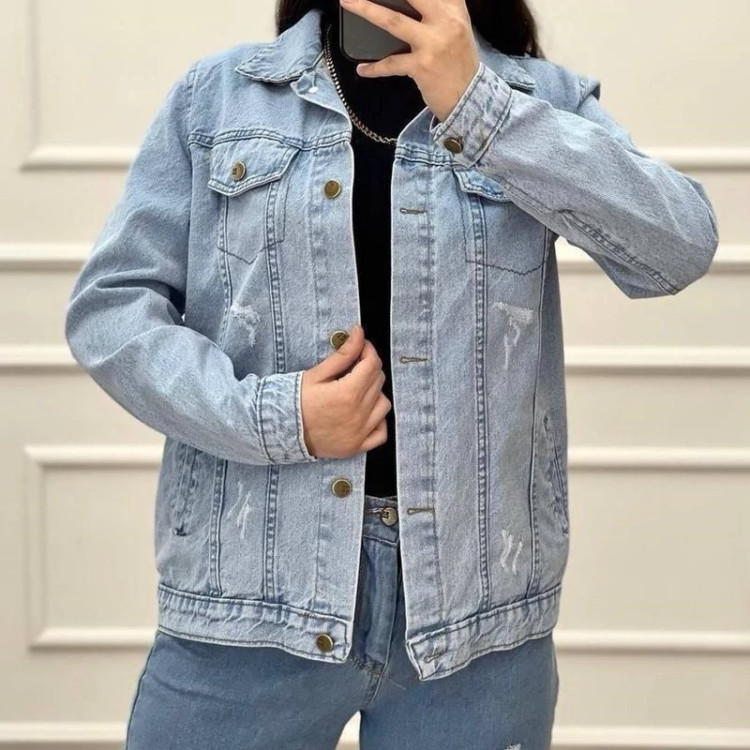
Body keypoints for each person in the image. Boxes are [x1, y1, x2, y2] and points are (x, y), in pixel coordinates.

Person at [64, 1, 719, 748]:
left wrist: (480, 108)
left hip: (476, 616)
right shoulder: (218, 97)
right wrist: (278, 418)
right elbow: (111, 309)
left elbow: (678, 248)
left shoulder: (537, 99)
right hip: (249, 596)